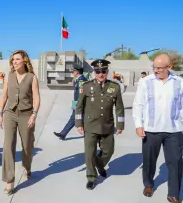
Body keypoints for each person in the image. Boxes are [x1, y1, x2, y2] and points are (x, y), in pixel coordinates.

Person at [132, 54, 183, 203]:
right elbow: (138, 104)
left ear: (170, 67)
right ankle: (148, 184)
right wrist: (139, 125)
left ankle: (173, 193)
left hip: (174, 130)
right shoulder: (145, 82)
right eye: (154, 67)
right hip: (151, 130)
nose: (155, 70)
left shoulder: (180, 83)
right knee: (149, 160)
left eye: (159, 68)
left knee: (176, 162)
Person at [75, 59, 124, 190]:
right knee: (89, 153)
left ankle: (100, 165)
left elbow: (119, 108)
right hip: (90, 125)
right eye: (97, 71)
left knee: (109, 151)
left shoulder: (115, 87)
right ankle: (91, 177)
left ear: (107, 72)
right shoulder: (86, 86)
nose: (100, 74)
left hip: (107, 125)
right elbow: (79, 107)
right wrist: (79, 123)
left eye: (103, 71)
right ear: (94, 72)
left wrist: (120, 125)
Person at [0, 50, 40, 195]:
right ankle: (9, 180)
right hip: (10, 113)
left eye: (17, 59)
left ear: (24, 61)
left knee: (27, 146)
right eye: (12, 60)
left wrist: (34, 114)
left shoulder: (32, 77)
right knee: (8, 145)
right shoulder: (8, 77)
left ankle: (27, 166)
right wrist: (0, 113)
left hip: (26, 114)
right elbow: (4, 96)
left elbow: (36, 98)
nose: (14, 62)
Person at [54, 66, 87, 140]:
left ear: (77, 72)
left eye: (73, 71)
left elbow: (81, 94)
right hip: (77, 103)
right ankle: (63, 134)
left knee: (84, 119)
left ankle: (92, 134)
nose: (72, 73)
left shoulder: (82, 81)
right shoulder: (78, 80)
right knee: (73, 118)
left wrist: (78, 104)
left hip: (80, 104)